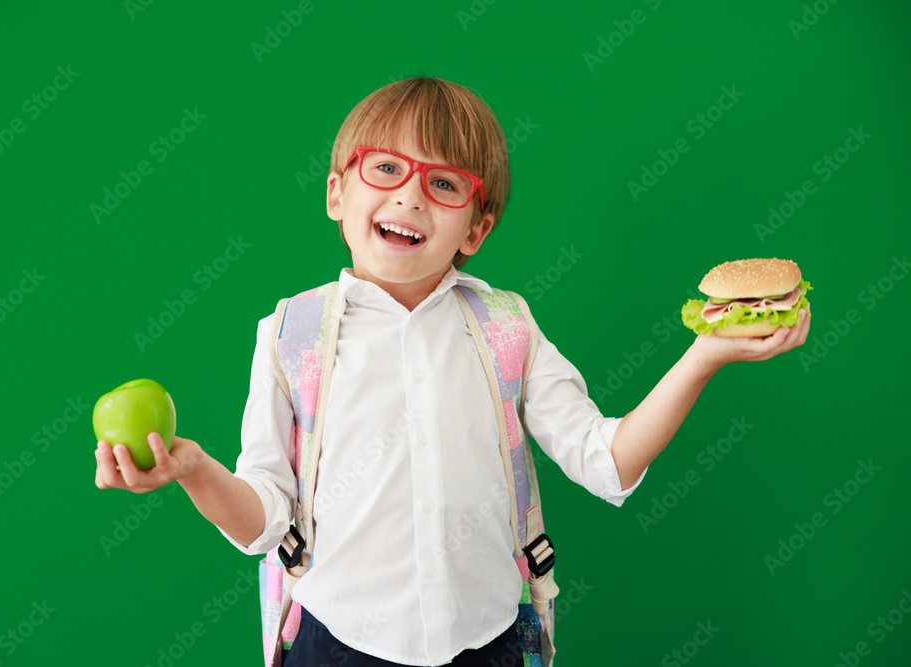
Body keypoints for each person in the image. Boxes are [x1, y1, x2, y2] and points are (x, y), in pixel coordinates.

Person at [93, 76, 810, 666]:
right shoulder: (292, 332)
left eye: (443, 183)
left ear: (476, 228)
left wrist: (705, 353)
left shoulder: (507, 325)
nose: (408, 196)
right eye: (385, 169)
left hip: (490, 644)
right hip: (336, 644)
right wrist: (190, 468)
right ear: (338, 192)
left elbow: (608, 463)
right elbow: (265, 521)